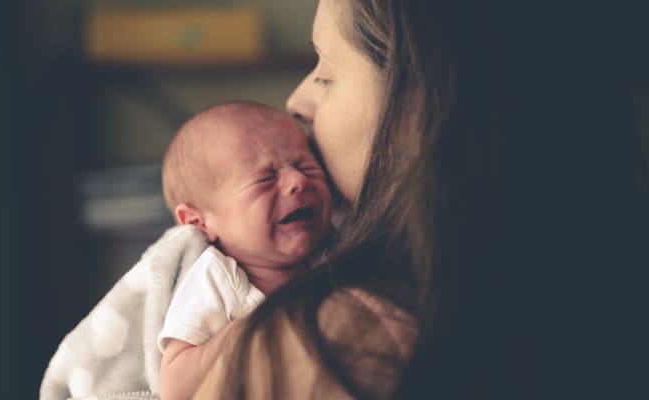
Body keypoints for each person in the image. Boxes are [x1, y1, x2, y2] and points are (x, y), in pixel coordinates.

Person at [181, 0, 649, 399]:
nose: (295, 101)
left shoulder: (325, 346)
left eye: (327, 73)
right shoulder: (608, 287)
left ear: (421, 106)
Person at [158, 101, 332, 400]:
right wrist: (249, 331)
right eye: (266, 178)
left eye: (306, 165)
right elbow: (175, 389)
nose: (298, 181)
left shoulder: (336, 253)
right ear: (199, 221)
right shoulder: (216, 279)